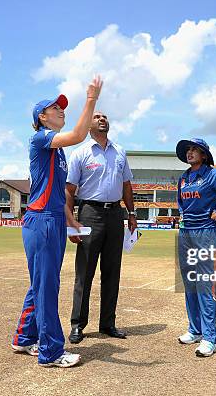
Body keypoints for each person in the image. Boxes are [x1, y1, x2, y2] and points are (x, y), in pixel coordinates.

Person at [10, 76, 103, 368]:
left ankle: (24, 338)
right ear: (42, 117)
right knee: (47, 286)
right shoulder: (41, 138)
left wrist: (70, 219)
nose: (62, 110)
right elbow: (78, 135)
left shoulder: (57, 150)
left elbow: (59, 192)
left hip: (52, 219)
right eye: (55, 108)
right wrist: (91, 99)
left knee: (41, 283)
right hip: (41, 221)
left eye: (62, 107)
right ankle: (51, 352)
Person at [65, 111, 138, 344]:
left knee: (112, 272)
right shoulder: (80, 153)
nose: (102, 119)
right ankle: (78, 324)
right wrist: (71, 222)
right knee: (84, 272)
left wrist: (132, 213)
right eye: (96, 117)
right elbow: (69, 190)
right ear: (88, 125)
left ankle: (107, 323)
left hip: (116, 214)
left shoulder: (120, 152)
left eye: (105, 116)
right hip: (90, 213)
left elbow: (126, 184)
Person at [175, 138, 216, 357]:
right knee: (190, 283)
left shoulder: (212, 174)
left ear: (204, 155)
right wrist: (183, 218)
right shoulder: (184, 178)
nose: (190, 152)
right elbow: (180, 203)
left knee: (205, 285)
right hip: (185, 233)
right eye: (188, 150)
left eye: (195, 149)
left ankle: (210, 338)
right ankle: (195, 330)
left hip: (205, 233)